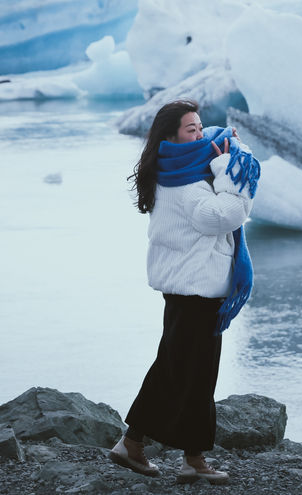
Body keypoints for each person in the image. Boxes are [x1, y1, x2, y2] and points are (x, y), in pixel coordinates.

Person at [109, 99, 260, 485]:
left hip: (191, 288)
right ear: (172, 137)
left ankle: (183, 455)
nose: (200, 134)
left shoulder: (176, 172)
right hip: (195, 291)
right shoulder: (187, 184)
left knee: (187, 372)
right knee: (184, 373)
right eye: (190, 130)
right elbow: (225, 215)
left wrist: (219, 162)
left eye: (199, 126)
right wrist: (229, 169)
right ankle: (142, 447)